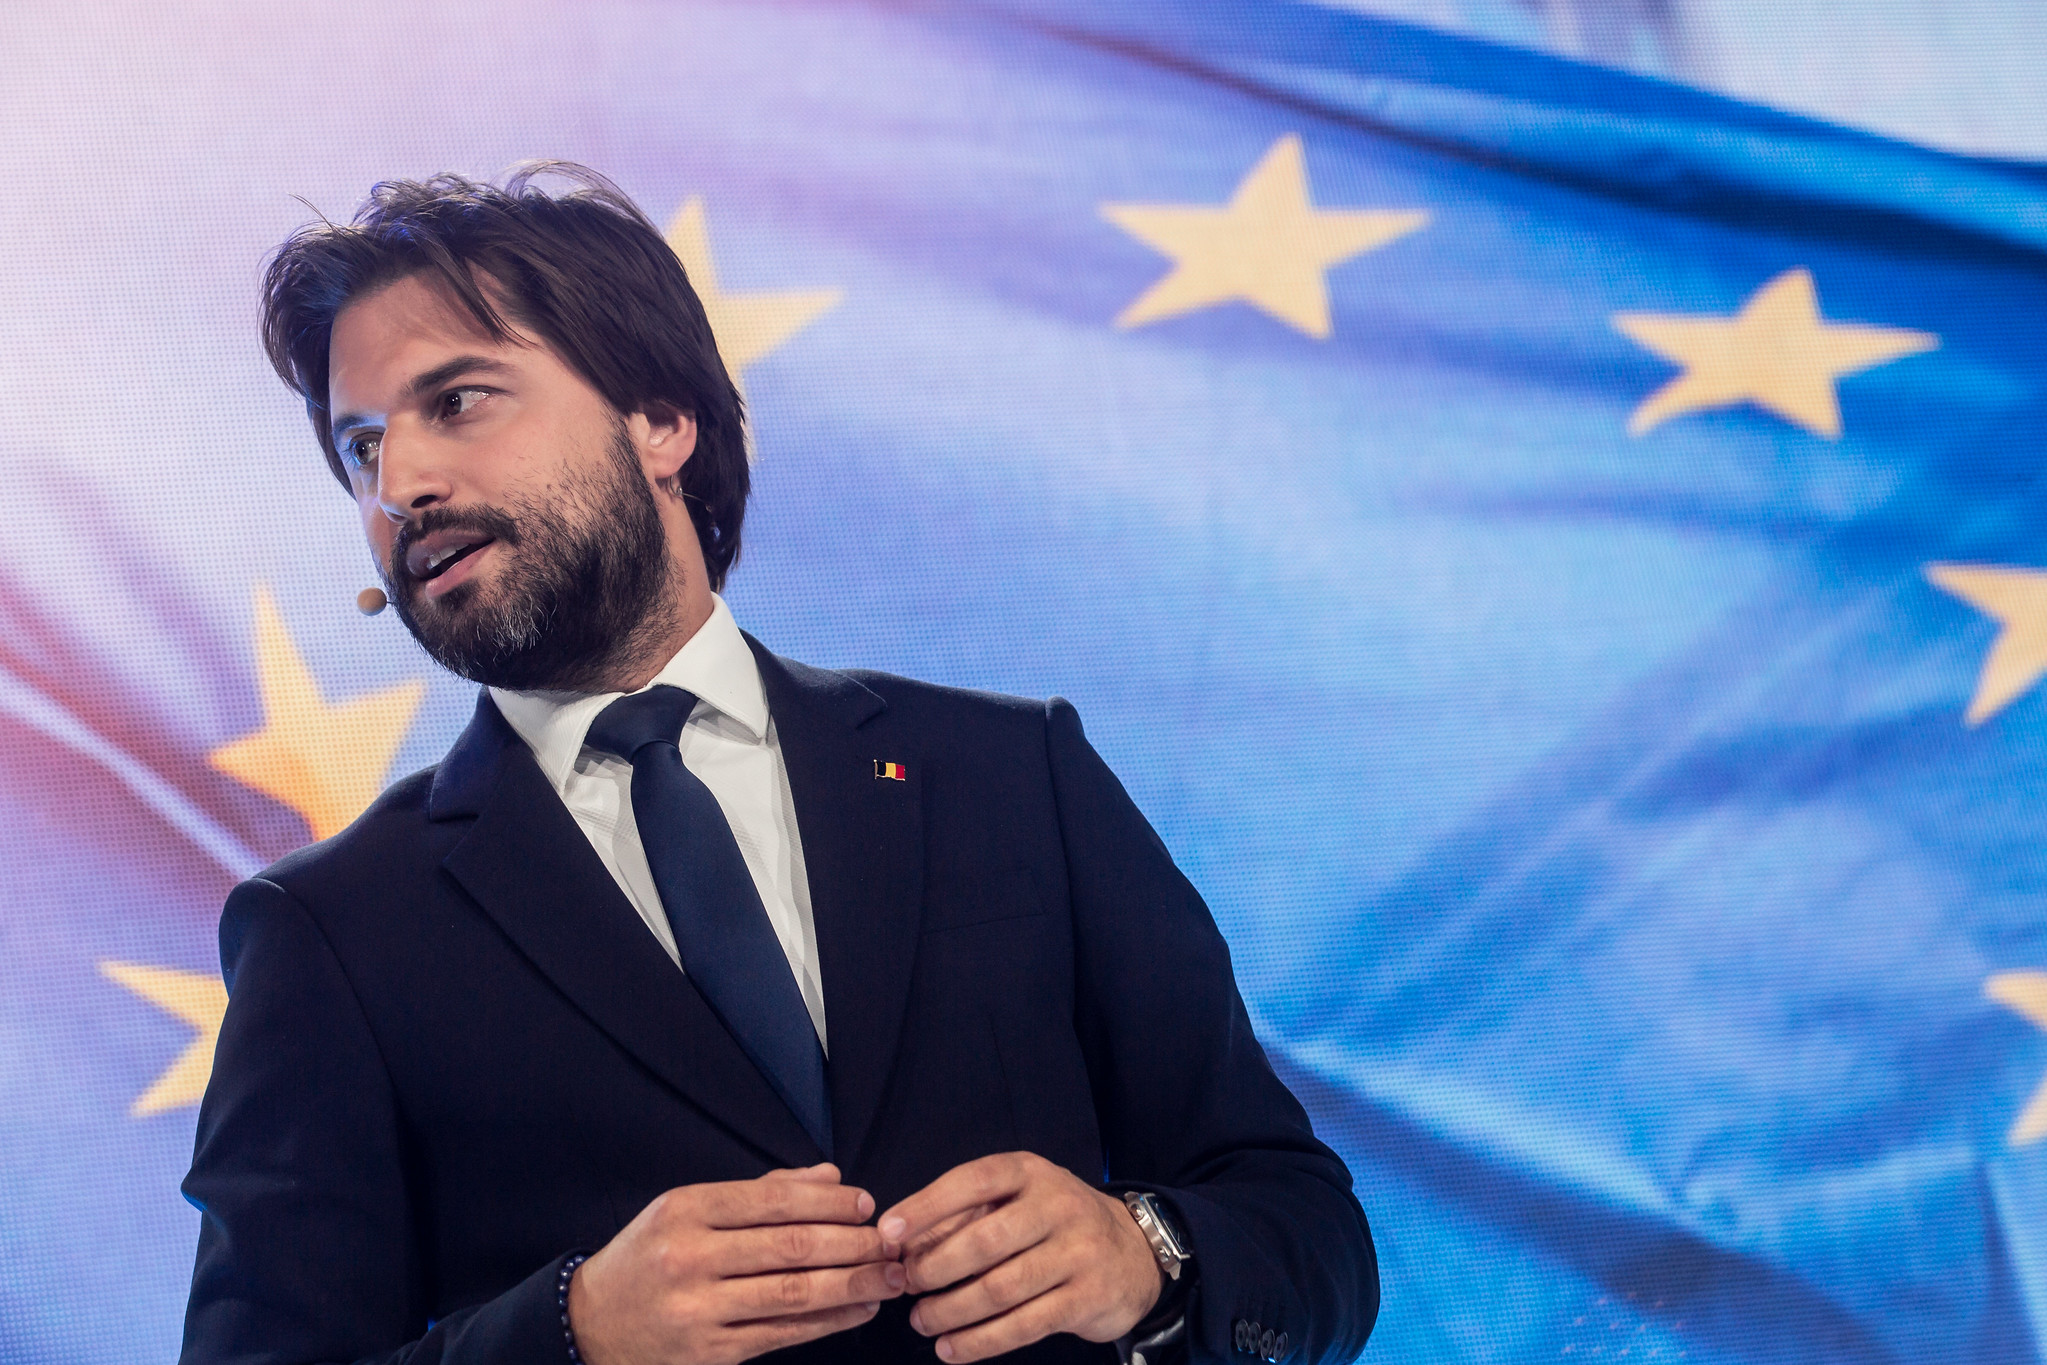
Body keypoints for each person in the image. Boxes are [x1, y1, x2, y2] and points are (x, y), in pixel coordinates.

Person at [180, 163, 1377, 1365]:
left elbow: (1301, 1223)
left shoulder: (1015, 773)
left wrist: (1147, 1255)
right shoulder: (329, 929)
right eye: (361, 444)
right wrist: (568, 1333)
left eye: (459, 401)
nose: (402, 485)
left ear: (660, 421)